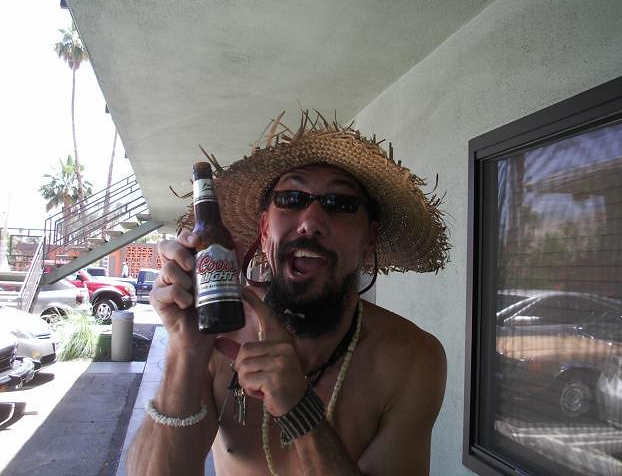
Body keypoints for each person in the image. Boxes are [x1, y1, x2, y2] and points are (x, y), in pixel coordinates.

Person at [127, 111, 450, 475]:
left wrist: (300, 410)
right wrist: (185, 349)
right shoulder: (218, 339)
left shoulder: (412, 358)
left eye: (340, 204)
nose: (311, 222)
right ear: (265, 230)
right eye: (292, 199)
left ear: (369, 240)